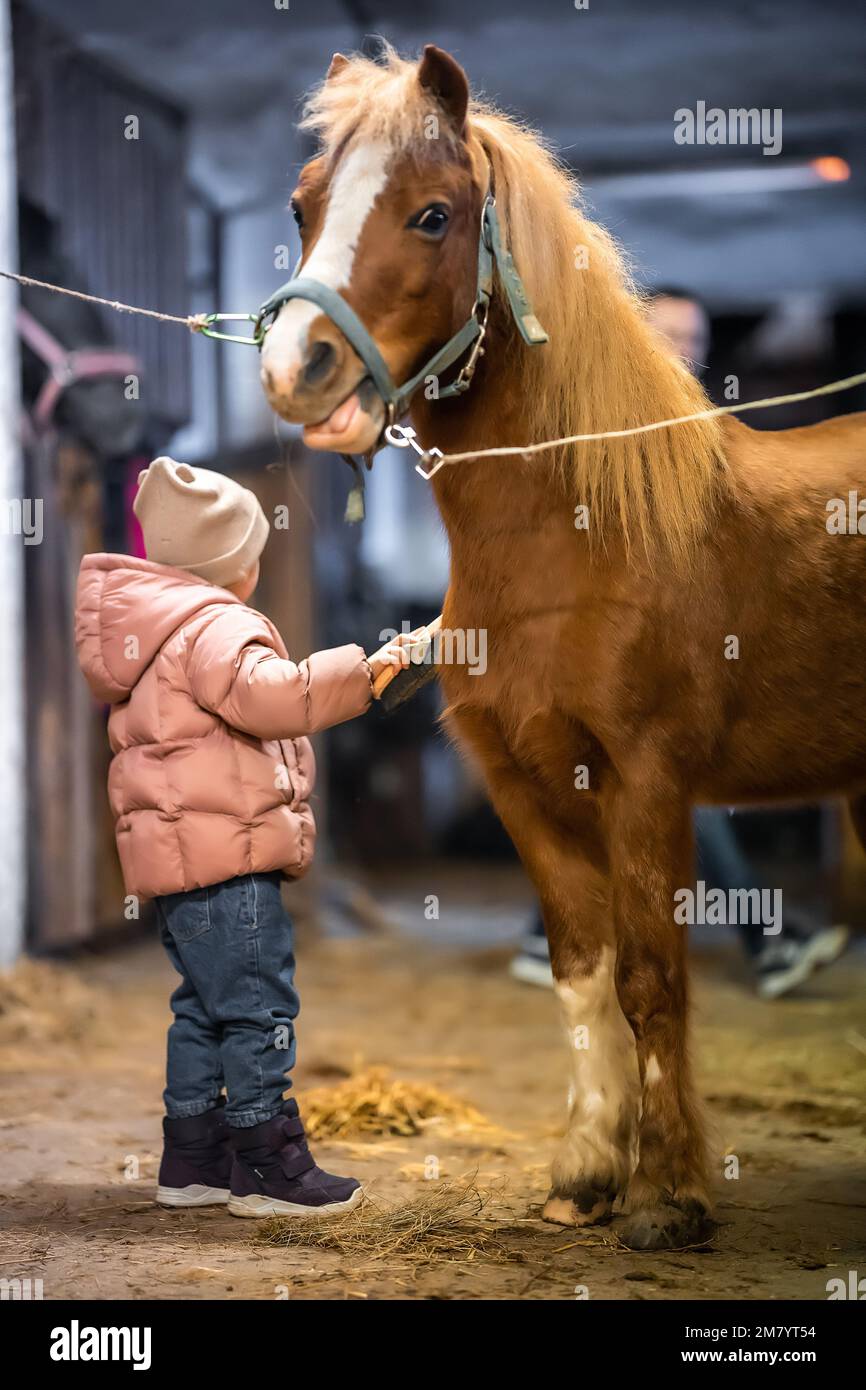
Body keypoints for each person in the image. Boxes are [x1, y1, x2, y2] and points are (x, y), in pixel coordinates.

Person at [75, 456, 402, 1217]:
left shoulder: (151, 633)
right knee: (258, 1006)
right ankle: (268, 1165)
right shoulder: (217, 624)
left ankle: (192, 1159)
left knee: (203, 1005)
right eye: (252, 552)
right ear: (234, 568)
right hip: (229, 862)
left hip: (182, 867)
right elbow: (271, 698)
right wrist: (362, 670)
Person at [510, 289, 849, 999]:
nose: (686, 350)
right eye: (672, 335)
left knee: (642, 786)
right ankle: (764, 941)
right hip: (607, 642)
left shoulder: (695, 427)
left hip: (662, 640)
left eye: (694, 336)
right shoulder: (607, 427)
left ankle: (547, 940)